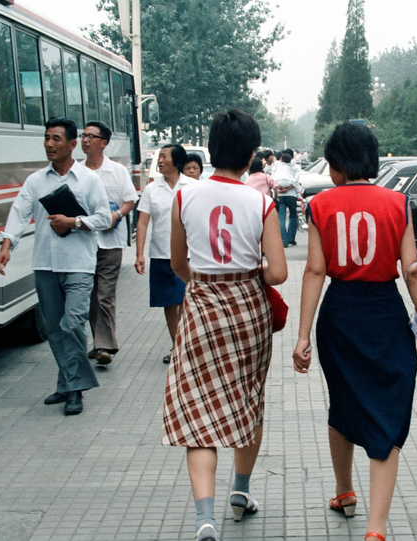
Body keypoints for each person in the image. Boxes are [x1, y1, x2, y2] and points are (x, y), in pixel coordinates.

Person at [292, 122, 417, 541]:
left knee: (343, 402)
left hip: (339, 314)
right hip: (386, 313)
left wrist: (302, 337)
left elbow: (315, 270)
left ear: (337, 162)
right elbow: (412, 269)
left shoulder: (319, 205)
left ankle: (344, 491)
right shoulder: (398, 202)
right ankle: (376, 530)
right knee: (386, 413)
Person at [164, 109, 287, 541]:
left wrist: (204, 281)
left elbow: (178, 262)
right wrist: (246, 273)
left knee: (199, 405)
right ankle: (241, 490)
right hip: (247, 307)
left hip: (200, 304)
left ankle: (204, 517)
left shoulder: (185, 196)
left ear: (211, 150)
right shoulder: (261, 200)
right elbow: (278, 272)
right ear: (252, 154)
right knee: (246, 398)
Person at [0, 117, 112, 416]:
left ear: (72, 144)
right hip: (45, 264)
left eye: (56, 139)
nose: (49, 143)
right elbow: (19, 213)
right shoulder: (36, 180)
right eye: (47, 137)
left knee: (72, 324)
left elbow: (103, 218)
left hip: (80, 265)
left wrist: (73, 222)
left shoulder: (89, 179)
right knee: (55, 331)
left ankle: (74, 389)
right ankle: (66, 382)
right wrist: (7, 245)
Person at [80, 121, 137, 366]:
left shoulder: (117, 171)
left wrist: (117, 215)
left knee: (104, 293)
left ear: (103, 143)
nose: (85, 140)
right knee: (91, 295)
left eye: (91, 136)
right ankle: (99, 342)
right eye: (83, 135)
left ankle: (104, 345)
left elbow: (129, 200)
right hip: (83, 242)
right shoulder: (77, 172)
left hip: (111, 242)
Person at [135, 144, 196, 363]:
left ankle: (187, 344)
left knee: (186, 300)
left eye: (163, 157)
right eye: (158, 157)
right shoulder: (152, 189)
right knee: (170, 302)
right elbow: (143, 222)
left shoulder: (192, 186)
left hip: (190, 255)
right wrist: (139, 253)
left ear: (177, 161)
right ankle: (177, 347)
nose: (159, 161)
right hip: (161, 254)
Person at [273, 152, 300, 247]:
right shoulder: (295, 167)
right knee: (293, 215)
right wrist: (288, 188)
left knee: (281, 217)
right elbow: (296, 180)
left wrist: (280, 188)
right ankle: (291, 238)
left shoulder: (276, 166)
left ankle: (284, 241)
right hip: (291, 194)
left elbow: (274, 178)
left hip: (279, 195)